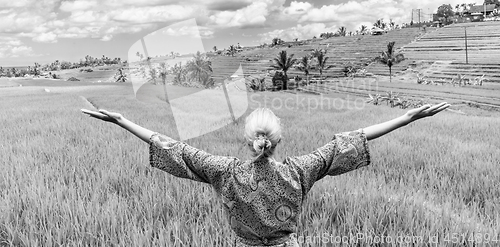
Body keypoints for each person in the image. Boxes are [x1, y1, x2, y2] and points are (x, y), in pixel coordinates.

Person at [81, 102, 449, 246]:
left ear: (248, 141)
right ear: (278, 141)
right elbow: (349, 141)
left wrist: (122, 121)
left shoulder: (224, 172)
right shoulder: (299, 171)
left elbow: (173, 148)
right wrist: (405, 118)